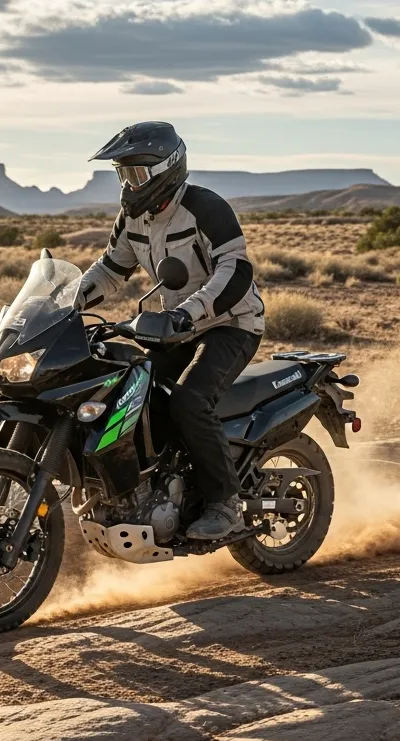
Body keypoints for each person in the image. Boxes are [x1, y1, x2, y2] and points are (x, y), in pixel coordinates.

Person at [75, 121, 265, 541]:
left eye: (137, 174)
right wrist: (70, 301)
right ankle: (157, 488)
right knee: (133, 391)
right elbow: (111, 269)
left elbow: (235, 271)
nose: (129, 183)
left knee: (189, 400)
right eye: (122, 174)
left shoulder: (205, 207)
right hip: (173, 327)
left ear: (167, 169)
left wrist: (187, 314)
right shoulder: (132, 216)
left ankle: (224, 504)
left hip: (230, 323)